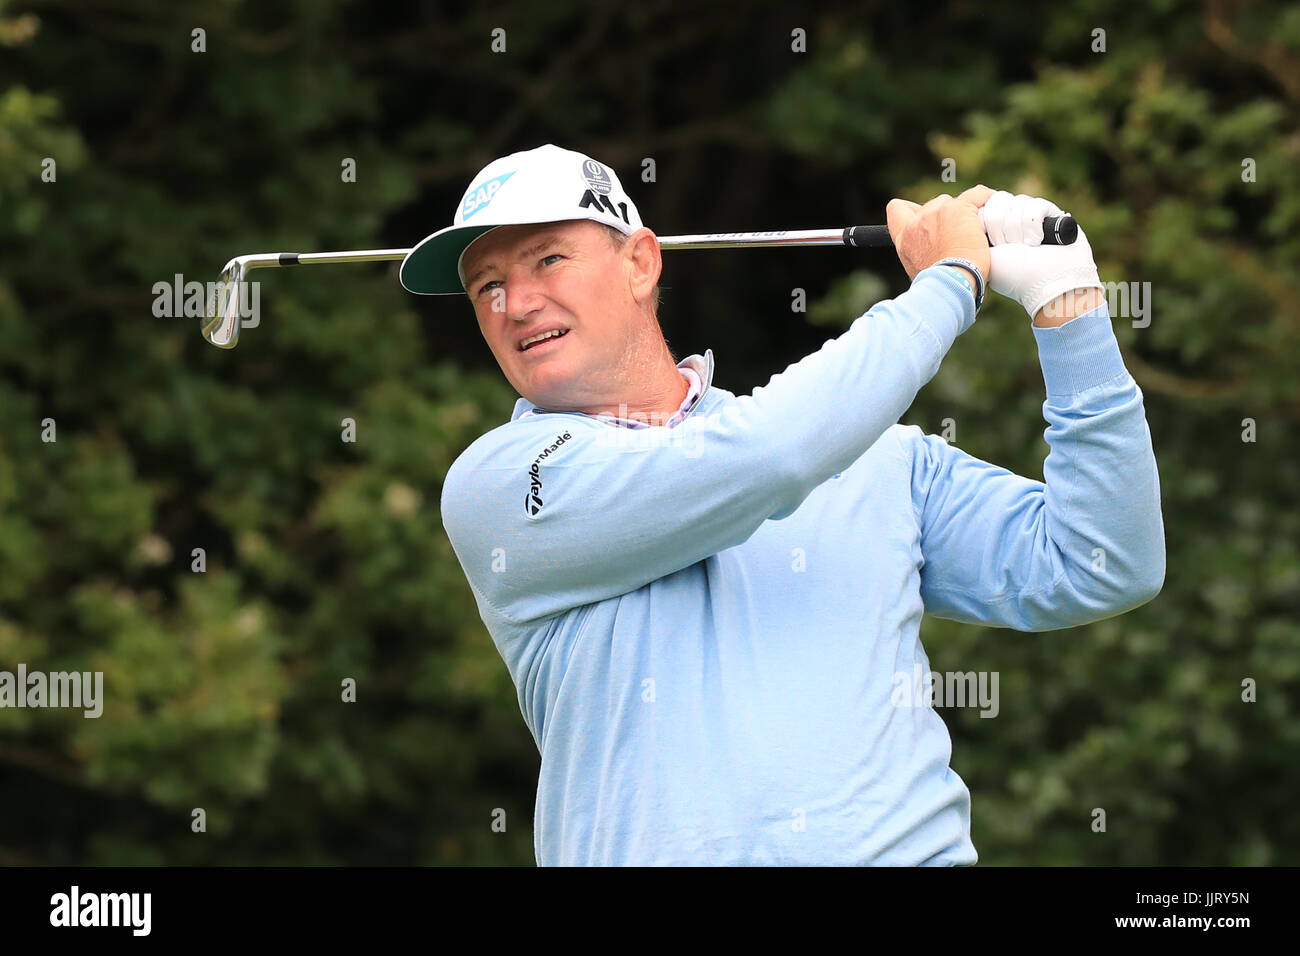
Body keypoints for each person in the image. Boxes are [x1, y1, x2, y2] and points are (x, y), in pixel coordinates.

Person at [400, 143, 1165, 865]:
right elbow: (763, 458)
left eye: (548, 260)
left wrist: (1071, 307)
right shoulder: (503, 483)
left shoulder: (874, 455)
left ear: (639, 262)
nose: (517, 302)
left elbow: (1100, 564)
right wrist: (949, 283)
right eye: (486, 286)